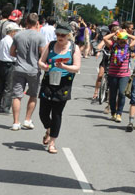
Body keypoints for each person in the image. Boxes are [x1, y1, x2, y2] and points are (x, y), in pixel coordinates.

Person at [37, 21, 81, 153]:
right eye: (58, 34)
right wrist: (43, 66)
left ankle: (52, 142)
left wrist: (64, 67)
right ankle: (49, 129)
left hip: (64, 83)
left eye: (63, 35)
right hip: (48, 81)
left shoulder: (74, 48)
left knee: (56, 113)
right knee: (43, 113)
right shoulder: (50, 45)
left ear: (68, 35)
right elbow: (40, 61)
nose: (60, 37)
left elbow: (77, 67)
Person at [10, 12, 43, 130]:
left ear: (26, 22)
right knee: (33, 95)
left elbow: (12, 52)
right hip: (33, 69)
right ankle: (27, 120)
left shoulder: (18, 35)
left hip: (19, 67)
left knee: (17, 96)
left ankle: (15, 122)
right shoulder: (39, 36)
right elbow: (43, 54)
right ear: (37, 22)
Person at [101, 27, 133, 122]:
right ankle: (113, 113)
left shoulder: (129, 46)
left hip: (124, 74)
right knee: (113, 95)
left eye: (124, 41)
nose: (123, 43)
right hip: (113, 74)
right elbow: (105, 38)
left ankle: (119, 113)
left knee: (122, 93)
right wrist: (115, 33)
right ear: (117, 40)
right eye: (121, 41)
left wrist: (126, 34)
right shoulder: (113, 46)